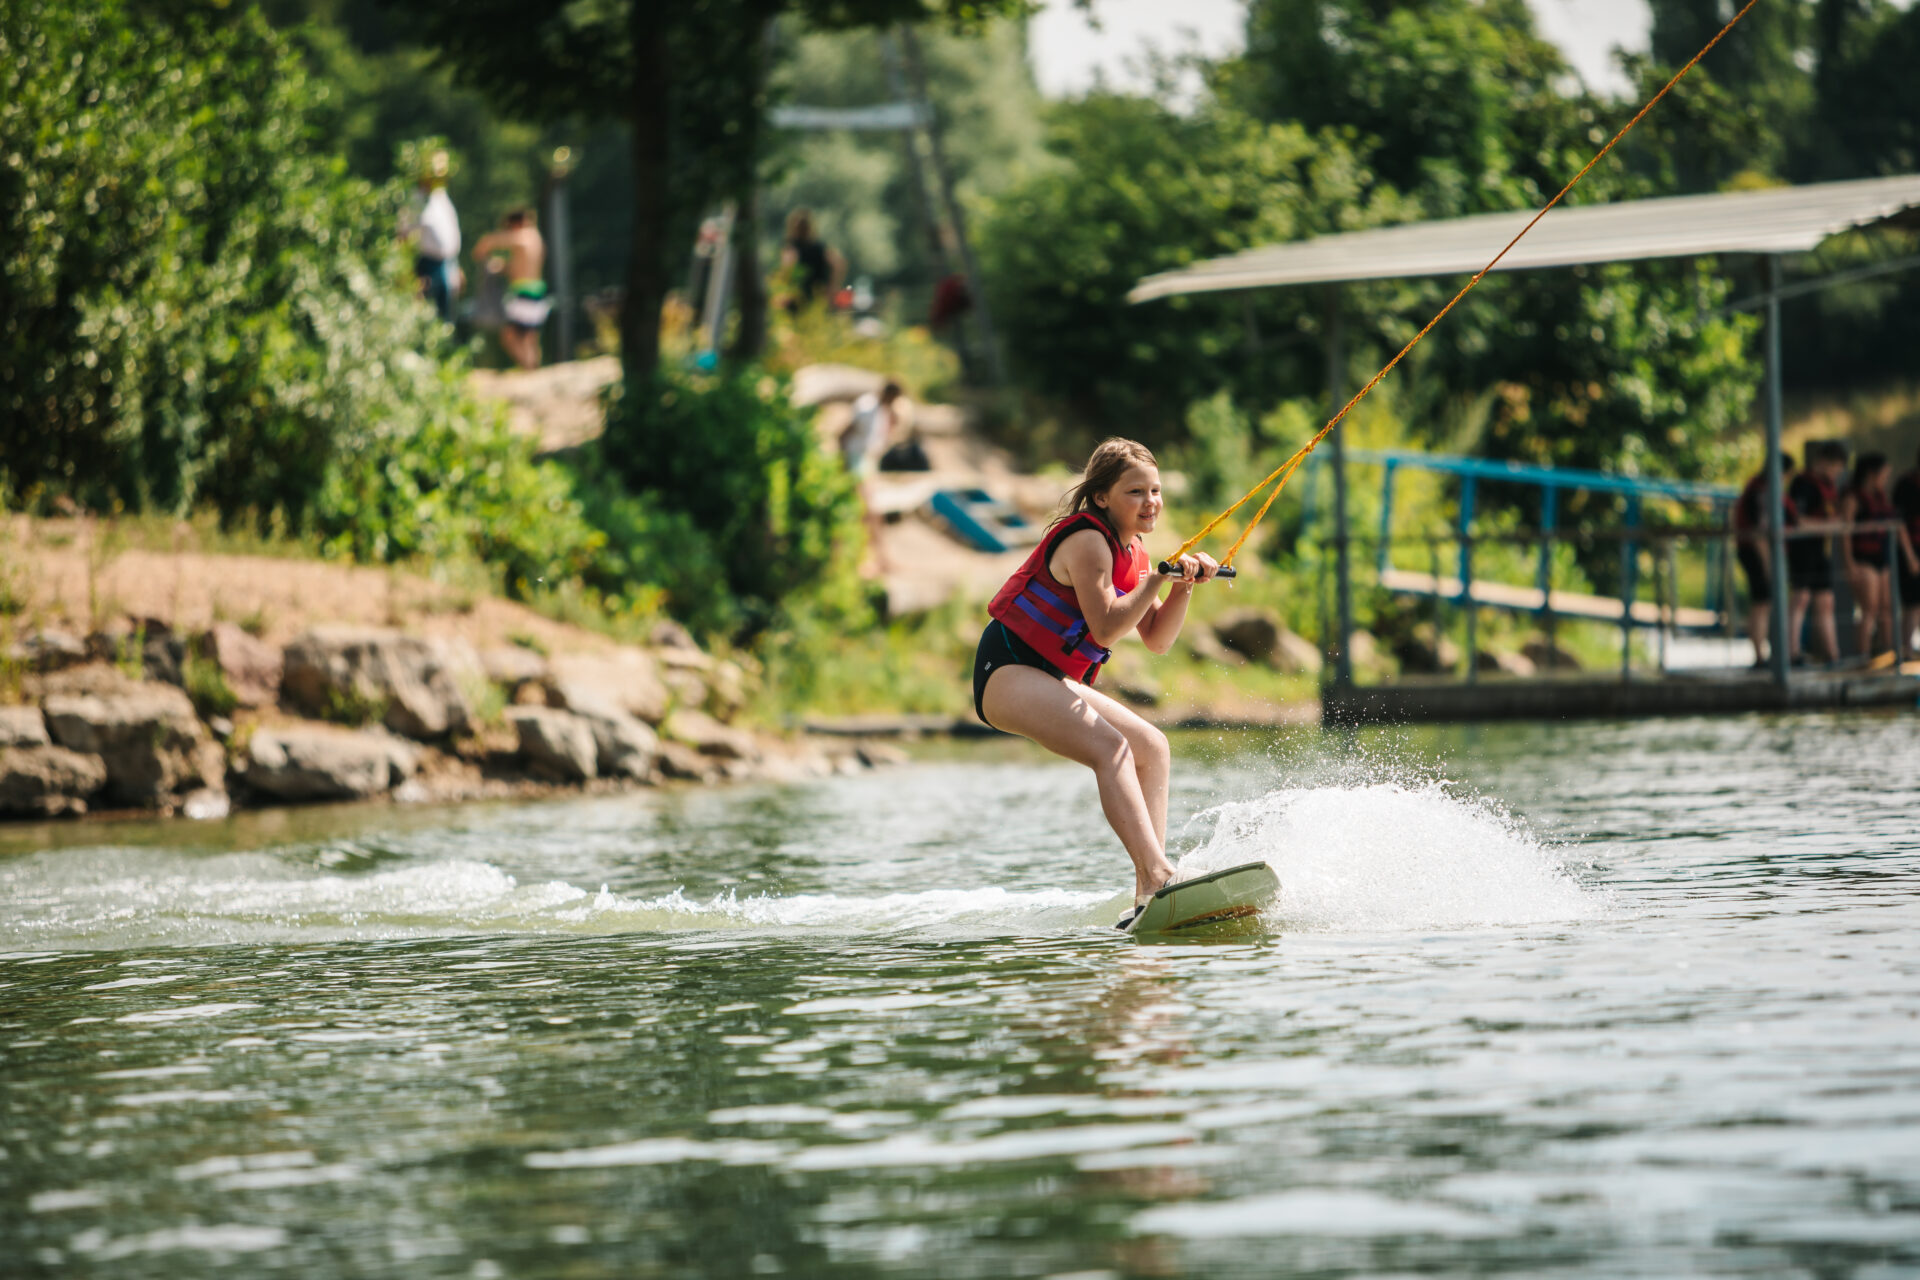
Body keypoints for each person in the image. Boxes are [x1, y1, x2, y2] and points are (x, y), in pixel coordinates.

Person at [972, 438, 1221, 931]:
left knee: (1152, 746)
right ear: (1103, 497)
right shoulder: (1087, 541)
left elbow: (1156, 639)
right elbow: (1106, 627)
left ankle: (1148, 891)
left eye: (1155, 490)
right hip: (1006, 669)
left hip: (1048, 674)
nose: (1151, 502)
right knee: (1113, 749)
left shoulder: (1136, 554)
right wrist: (1157, 581)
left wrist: (1183, 585)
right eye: (1136, 492)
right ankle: (1157, 875)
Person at [1839, 452, 1915, 659]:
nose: (1886, 478)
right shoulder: (1852, 497)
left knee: (1887, 608)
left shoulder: (1880, 496)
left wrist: (1909, 557)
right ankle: (1863, 654)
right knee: (1869, 609)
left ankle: (1888, 651)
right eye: (1884, 473)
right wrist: (1849, 563)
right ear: (1872, 473)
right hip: (1863, 558)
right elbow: (1845, 532)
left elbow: (1896, 524)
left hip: (1883, 558)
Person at [1732, 453, 1797, 667]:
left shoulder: (1758, 488)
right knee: (1762, 604)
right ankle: (1759, 656)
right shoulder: (1761, 492)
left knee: (1764, 604)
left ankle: (1764, 654)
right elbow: (1759, 534)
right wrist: (1769, 566)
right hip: (1756, 553)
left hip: (1755, 551)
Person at [1786, 441, 1849, 665]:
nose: (1835, 473)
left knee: (1826, 601)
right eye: (1834, 468)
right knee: (1801, 598)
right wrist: (1829, 525)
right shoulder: (1802, 483)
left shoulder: (1828, 486)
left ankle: (1833, 654)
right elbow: (1798, 521)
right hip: (1803, 549)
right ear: (1822, 461)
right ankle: (1791, 652)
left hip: (1820, 549)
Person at [471, 209, 549, 370]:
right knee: (529, 336)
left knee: (510, 336)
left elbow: (491, 241)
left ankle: (529, 367)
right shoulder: (535, 240)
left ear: (516, 224)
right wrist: (502, 267)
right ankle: (533, 367)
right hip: (535, 290)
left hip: (525, 292)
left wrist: (482, 248)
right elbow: (521, 268)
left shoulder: (526, 236)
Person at [840, 381, 903, 573]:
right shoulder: (866, 406)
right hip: (856, 461)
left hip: (866, 463)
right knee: (867, 512)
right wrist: (843, 463)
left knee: (873, 512)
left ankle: (880, 559)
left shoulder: (882, 411)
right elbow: (845, 433)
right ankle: (867, 560)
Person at [401, 150, 461, 322]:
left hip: (448, 264)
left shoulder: (440, 196)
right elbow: (403, 237)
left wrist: (456, 266)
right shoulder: (414, 200)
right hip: (427, 266)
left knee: (447, 320)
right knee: (430, 318)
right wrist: (410, 274)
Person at [780, 209, 844, 312]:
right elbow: (838, 263)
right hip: (809, 296)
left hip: (808, 295)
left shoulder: (795, 247)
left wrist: (832, 287)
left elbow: (787, 267)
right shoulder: (817, 247)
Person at [1895, 446, 1920, 658]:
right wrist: (1910, 556)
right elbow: (1899, 523)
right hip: (1911, 549)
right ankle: (1907, 649)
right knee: (1912, 601)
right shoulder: (1906, 486)